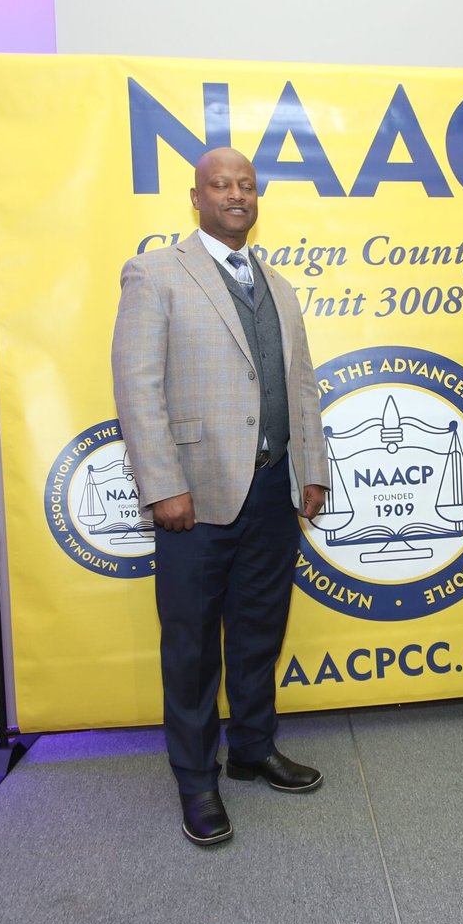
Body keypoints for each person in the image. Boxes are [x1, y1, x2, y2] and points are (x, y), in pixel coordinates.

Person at [111, 147, 331, 846]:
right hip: (194, 498)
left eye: (246, 185)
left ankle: (253, 749)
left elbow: (301, 385)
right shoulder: (155, 273)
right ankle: (196, 779)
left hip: (272, 491)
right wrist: (163, 484)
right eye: (221, 184)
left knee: (260, 632)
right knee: (192, 647)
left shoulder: (280, 286)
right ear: (196, 197)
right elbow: (137, 386)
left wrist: (312, 469)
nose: (236, 194)